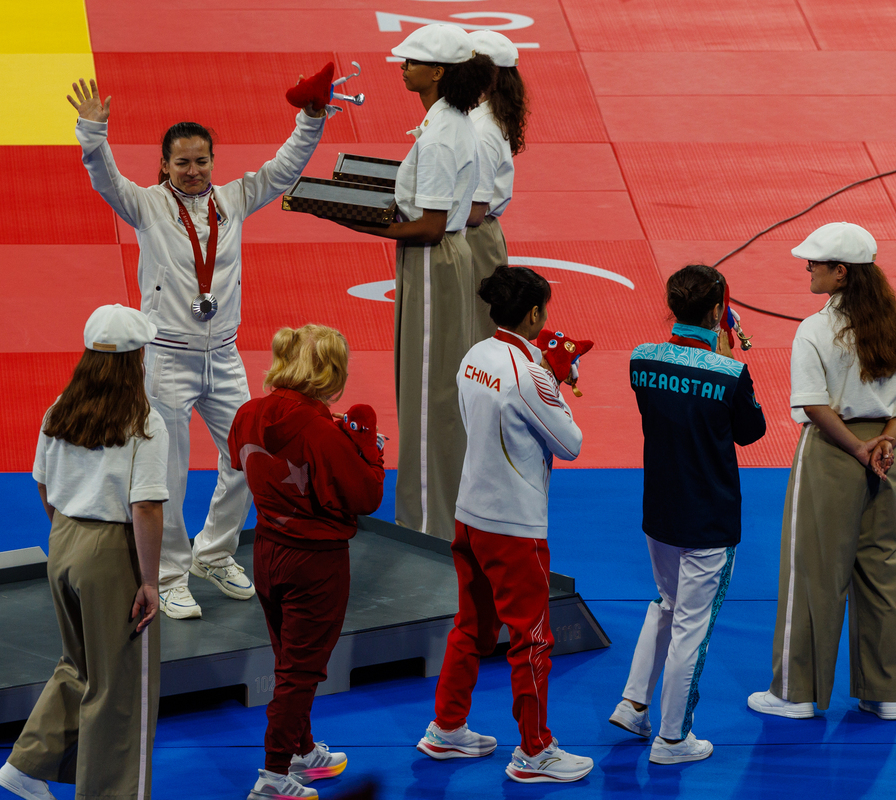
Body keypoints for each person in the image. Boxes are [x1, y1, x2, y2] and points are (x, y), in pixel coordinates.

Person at [65, 77, 330, 620]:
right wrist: (94, 132)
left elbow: (283, 170)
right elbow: (103, 177)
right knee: (170, 474)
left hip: (225, 357)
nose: (193, 171)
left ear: (213, 161)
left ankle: (215, 551)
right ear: (164, 165)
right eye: (182, 163)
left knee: (251, 458)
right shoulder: (146, 206)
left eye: (202, 161)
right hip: (166, 357)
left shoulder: (232, 200)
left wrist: (311, 119)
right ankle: (168, 575)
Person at [415, 265, 592, 784]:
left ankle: (447, 727)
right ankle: (535, 751)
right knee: (532, 638)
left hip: (470, 513)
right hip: (515, 526)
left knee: (471, 626)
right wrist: (554, 378)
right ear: (535, 313)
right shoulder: (530, 375)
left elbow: (502, 405)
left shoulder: (475, 356)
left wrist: (546, 367)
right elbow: (572, 444)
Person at [747, 222, 896, 721]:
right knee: (885, 572)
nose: (807, 269)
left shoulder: (815, 329)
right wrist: (886, 442)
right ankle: (884, 694)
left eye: (815, 263)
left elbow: (814, 405)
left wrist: (857, 448)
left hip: (832, 452)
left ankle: (797, 693)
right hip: (888, 459)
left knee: (813, 571)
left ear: (841, 273)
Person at [0, 304, 167, 800]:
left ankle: (28, 762)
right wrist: (150, 582)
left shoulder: (60, 409)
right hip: (112, 550)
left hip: (63, 540)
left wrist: (68, 538)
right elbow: (147, 509)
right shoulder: (145, 424)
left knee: (79, 664)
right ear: (137, 359)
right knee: (121, 686)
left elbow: (43, 485)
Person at [336, 25, 495, 541]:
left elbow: (428, 225)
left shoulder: (443, 133)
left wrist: (350, 219)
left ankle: (428, 526)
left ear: (438, 72)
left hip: (431, 260)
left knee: (430, 399)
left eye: (411, 61)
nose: (402, 67)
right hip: (437, 260)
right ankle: (437, 516)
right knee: (432, 394)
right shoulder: (447, 121)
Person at [608, 265, 766, 765]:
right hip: (709, 519)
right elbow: (751, 431)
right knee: (691, 626)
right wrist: (727, 358)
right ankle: (674, 738)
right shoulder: (730, 373)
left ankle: (635, 704)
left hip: (659, 510)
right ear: (719, 310)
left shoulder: (640, 361)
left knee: (668, 604)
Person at [228, 324, 386, 800]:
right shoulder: (322, 431)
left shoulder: (249, 413)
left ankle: (301, 751)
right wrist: (370, 452)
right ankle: (274, 775)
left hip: (266, 552)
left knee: (288, 659)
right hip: (315, 563)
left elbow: (240, 461)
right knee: (301, 671)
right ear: (329, 372)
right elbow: (366, 496)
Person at [465, 30, 526, 343]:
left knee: (480, 332)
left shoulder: (484, 128)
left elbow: (474, 210)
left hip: (475, 236)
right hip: (477, 234)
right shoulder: (484, 116)